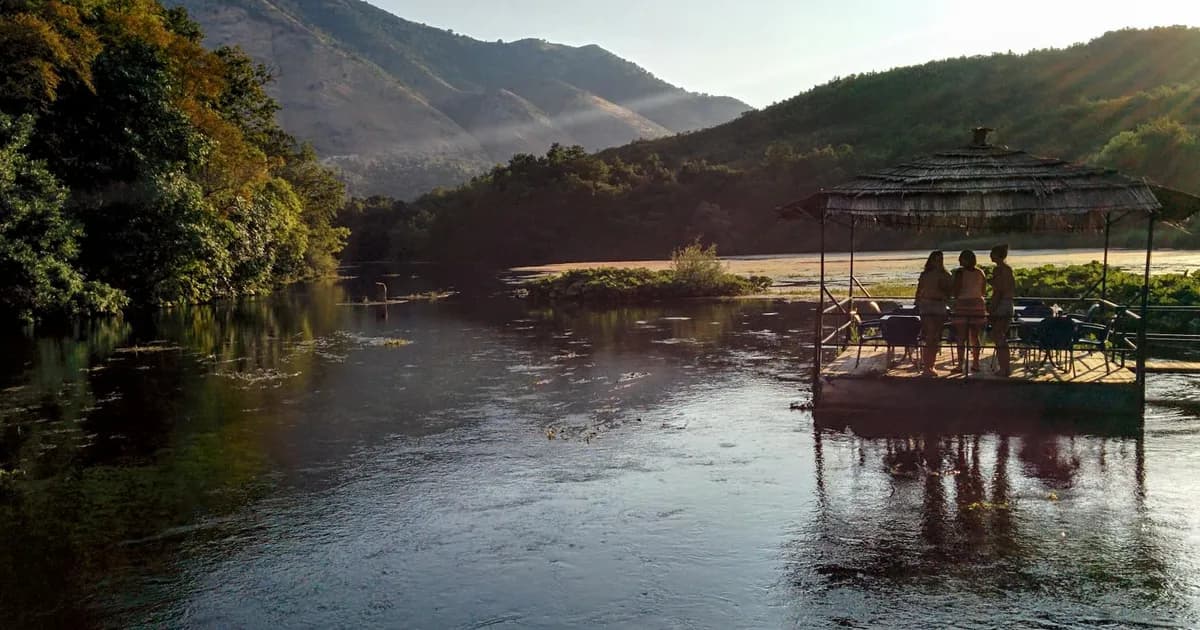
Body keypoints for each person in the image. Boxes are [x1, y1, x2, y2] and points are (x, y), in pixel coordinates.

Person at [915, 250, 952, 376]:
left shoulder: (946, 274)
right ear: (931, 260)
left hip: (939, 305)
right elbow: (919, 291)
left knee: (936, 337)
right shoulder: (925, 274)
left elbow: (950, 292)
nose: (938, 262)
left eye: (940, 259)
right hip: (927, 306)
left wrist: (944, 289)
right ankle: (927, 366)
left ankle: (931, 365)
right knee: (930, 336)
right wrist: (917, 303)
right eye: (936, 259)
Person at [951, 250, 987, 373]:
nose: (959, 261)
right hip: (978, 304)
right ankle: (976, 363)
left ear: (965, 260)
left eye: (961, 258)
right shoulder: (980, 272)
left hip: (963, 304)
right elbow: (983, 291)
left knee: (961, 336)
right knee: (974, 336)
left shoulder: (960, 273)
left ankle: (960, 364)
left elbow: (955, 291)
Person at [989, 244, 1016, 376]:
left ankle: (1004, 368)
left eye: (992, 253)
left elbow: (999, 291)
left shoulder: (999, 270)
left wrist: (992, 308)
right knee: (1001, 336)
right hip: (1009, 304)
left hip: (1001, 304)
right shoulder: (1009, 269)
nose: (990, 256)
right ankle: (1005, 367)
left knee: (998, 336)